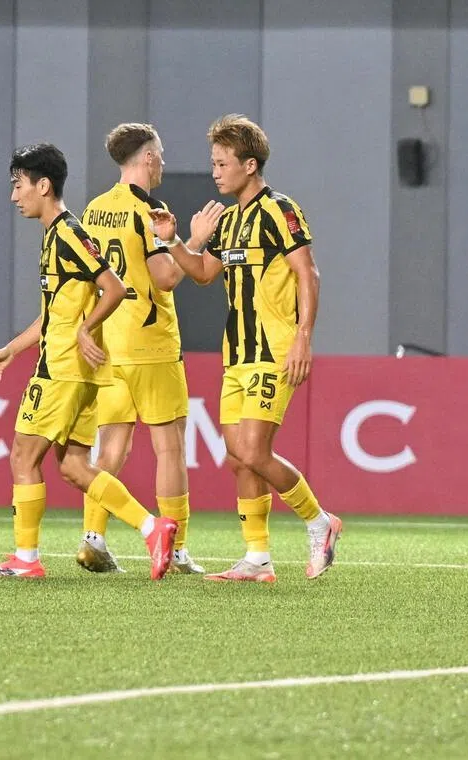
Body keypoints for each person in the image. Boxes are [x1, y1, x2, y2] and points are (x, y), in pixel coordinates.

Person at [148, 114, 342, 582]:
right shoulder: (230, 220)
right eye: (213, 163)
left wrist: (303, 338)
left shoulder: (280, 210)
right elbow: (203, 273)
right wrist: (173, 240)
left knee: (254, 450)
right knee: (238, 456)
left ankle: (321, 523)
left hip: (274, 349)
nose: (215, 172)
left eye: (222, 163)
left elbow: (307, 273)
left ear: (250, 165)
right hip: (235, 355)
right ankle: (257, 558)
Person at [0, 143, 177, 580]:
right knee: (74, 466)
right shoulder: (58, 235)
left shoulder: (68, 234)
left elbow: (115, 286)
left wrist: (86, 331)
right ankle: (152, 527)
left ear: (42, 185)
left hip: (63, 369)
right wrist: (13, 348)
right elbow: (55, 314)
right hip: (79, 371)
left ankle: (26, 559)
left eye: (19, 186)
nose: (14, 196)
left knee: (22, 458)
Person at [74, 123, 222, 575]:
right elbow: (165, 277)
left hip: (108, 344)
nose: (163, 161)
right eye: (159, 153)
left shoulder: (94, 209)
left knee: (111, 445)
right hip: (151, 343)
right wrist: (194, 238)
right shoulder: (150, 209)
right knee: (170, 447)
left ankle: (93, 538)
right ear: (145, 158)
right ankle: (174, 549)